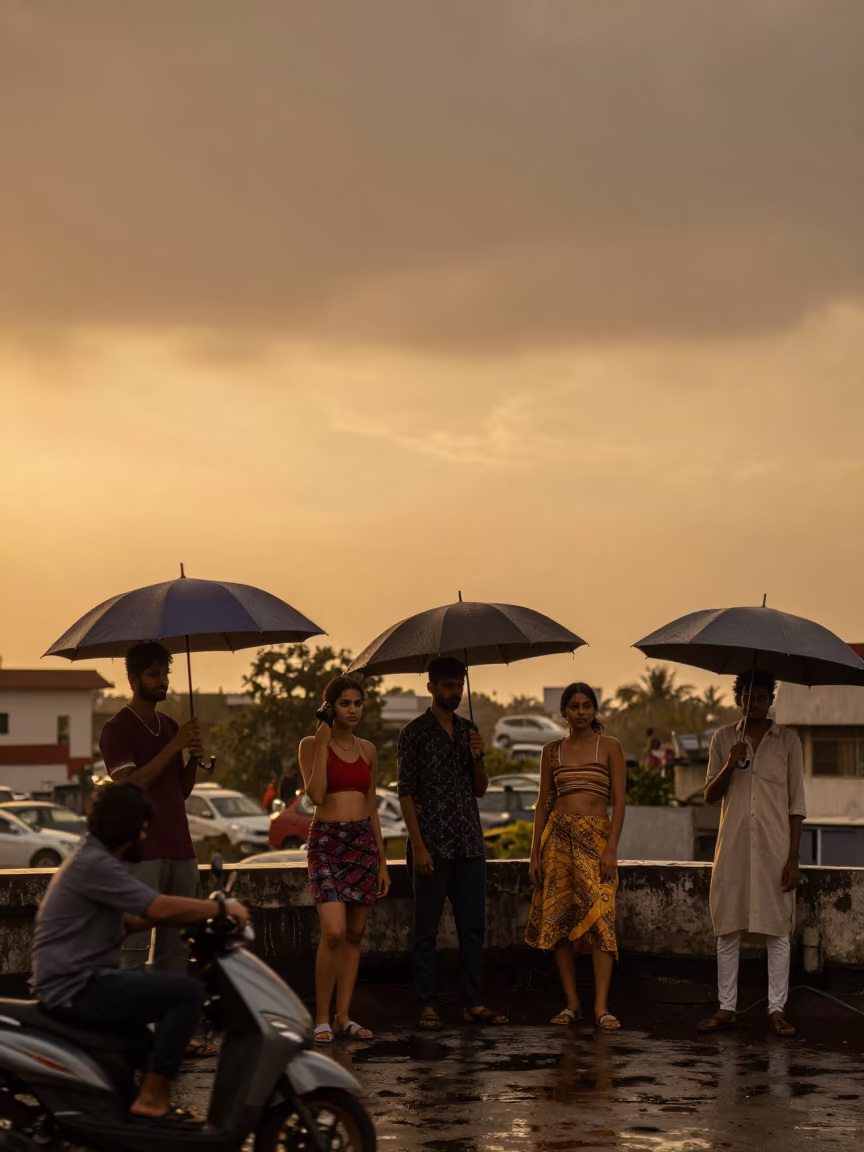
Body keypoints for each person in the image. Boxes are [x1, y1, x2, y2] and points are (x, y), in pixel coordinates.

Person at [32, 782, 249, 1126]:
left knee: (142, 1043)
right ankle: (151, 1099)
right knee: (187, 993)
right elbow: (156, 908)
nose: (147, 836)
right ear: (128, 827)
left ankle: (123, 1115)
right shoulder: (95, 864)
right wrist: (220, 909)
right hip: (77, 985)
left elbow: (132, 920)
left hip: (76, 980)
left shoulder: (93, 859)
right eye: (144, 827)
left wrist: (189, 920)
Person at [397, 657, 508, 1031]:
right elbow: (406, 793)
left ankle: (473, 1003)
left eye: (459, 684)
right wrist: (419, 846)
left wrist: (478, 757)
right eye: (447, 685)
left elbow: (480, 788)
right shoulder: (413, 734)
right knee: (426, 930)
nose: (455, 691)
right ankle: (428, 1004)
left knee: (473, 928)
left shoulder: (469, 730)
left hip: (469, 844)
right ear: (431, 688)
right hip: (432, 846)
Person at [698, 671, 806, 1038]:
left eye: (762, 697)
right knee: (728, 927)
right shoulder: (723, 738)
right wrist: (730, 763)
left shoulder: (789, 742)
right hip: (733, 848)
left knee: (777, 930)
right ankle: (726, 1008)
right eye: (749, 696)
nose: (755, 703)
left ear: (770, 699)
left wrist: (793, 859)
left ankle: (777, 1009)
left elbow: (796, 806)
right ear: (738, 698)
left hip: (776, 850)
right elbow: (710, 795)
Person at [100, 642, 203, 979]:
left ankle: (167, 1029)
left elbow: (181, 791)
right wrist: (174, 746)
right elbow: (129, 784)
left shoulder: (172, 726)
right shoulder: (117, 729)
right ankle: (128, 1027)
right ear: (133, 679)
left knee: (177, 949)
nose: (162, 681)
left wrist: (194, 760)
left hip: (180, 847)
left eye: (165, 674)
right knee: (134, 948)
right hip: (142, 852)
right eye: (153, 674)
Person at [526, 683, 626, 1031]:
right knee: (562, 923)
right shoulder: (551, 751)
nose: (581, 712)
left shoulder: (610, 747)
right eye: (574, 706)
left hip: (597, 840)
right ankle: (571, 1004)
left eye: (587, 706)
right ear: (564, 712)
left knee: (600, 922)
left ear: (595, 710)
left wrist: (611, 847)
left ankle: (601, 1006)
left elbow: (619, 802)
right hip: (558, 843)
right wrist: (534, 854)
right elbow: (543, 803)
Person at [298, 677, 391, 1044]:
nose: (353, 710)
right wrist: (322, 745)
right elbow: (316, 795)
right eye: (345, 703)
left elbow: (371, 808)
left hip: (362, 843)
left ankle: (343, 1016)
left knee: (354, 935)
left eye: (358, 703)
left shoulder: (368, 750)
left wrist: (382, 861)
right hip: (326, 842)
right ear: (330, 707)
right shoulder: (311, 744)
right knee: (333, 931)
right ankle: (320, 1017)